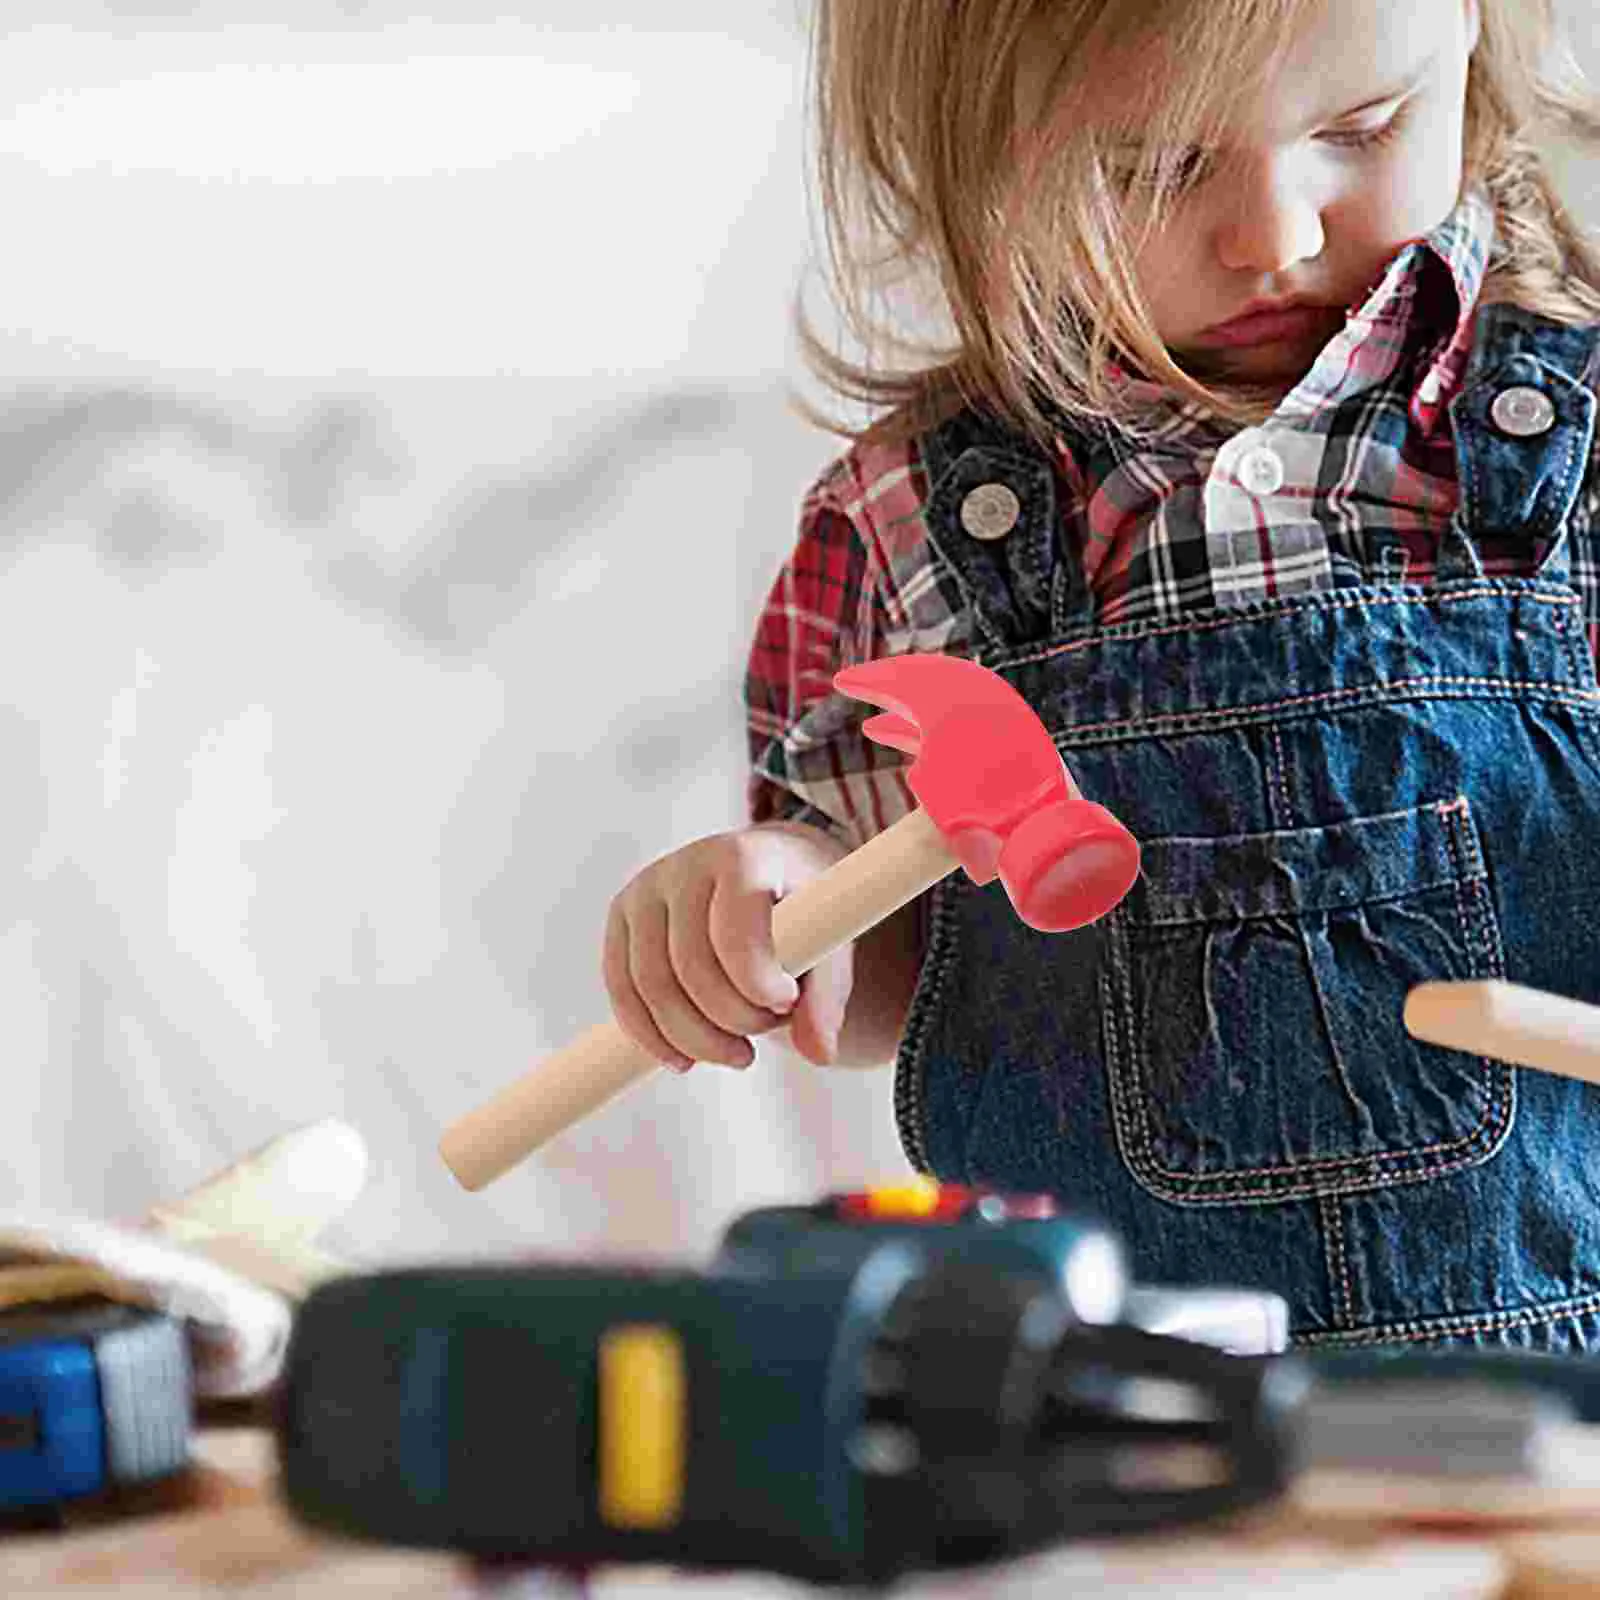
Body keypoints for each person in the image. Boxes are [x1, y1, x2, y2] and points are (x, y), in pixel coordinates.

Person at [604, 0, 1600, 1352]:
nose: (1280, 236)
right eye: (1151, 168)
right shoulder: (905, 522)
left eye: (1366, 129)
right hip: (1100, 1411)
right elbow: (882, 986)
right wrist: (777, 916)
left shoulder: (1575, 451)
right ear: (973, 148)